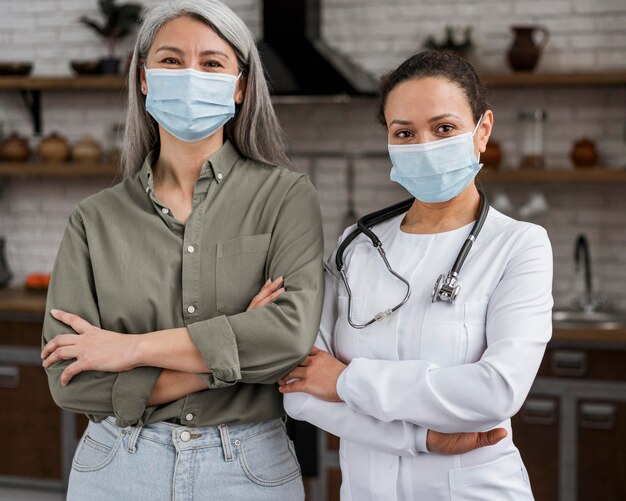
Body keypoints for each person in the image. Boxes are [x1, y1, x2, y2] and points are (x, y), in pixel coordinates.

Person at [40, 1, 325, 499]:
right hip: (116, 467)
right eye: (171, 61)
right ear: (144, 79)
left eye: (212, 63)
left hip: (248, 469)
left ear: (240, 86)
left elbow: (288, 341)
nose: (191, 75)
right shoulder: (94, 218)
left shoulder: (286, 197)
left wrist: (126, 350)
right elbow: (70, 381)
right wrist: (230, 356)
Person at [279, 50, 553, 500]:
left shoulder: (519, 246)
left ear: (482, 131)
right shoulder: (358, 245)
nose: (424, 146)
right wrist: (421, 439)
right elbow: (301, 392)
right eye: (404, 132)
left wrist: (346, 381)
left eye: (443, 128)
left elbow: (496, 392)